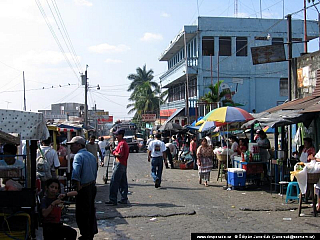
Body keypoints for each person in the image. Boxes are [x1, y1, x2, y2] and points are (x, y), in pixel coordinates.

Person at [67, 136, 98, 240]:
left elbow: (76, 173)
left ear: (79, 145)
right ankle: (90, 232)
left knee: (82, 212)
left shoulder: (78, 156)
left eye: (72, 145)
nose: (71, 147)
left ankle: (85, 234)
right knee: (90, 210)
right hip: (91, 186)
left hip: (83, 188)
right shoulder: (91, 156)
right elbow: (95, 171)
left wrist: (77, 186)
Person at [105, 128, 129, 205]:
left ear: (121, 135)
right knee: (123, 182)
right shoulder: (122, 143)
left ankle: (113, 199)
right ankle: (123, 198)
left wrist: (113, 151)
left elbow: (120, 154)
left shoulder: (122, 143)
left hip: (120, 163)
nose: (116, 136)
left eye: (117, 135)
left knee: (114, 182)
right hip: (123, 164)